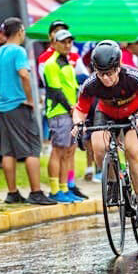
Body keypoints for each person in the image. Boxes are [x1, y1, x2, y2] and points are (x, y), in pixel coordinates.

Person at [72, 40, 138, 227]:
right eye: (101, 74)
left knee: (133, 151)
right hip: (107, 113)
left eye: (110, 73)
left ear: (118, 67)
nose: (106, 79)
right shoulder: (91, 84)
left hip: (133, 115)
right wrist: (78, 123)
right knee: (99, 147)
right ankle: (113, 182)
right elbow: (80, 109)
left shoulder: (133, 77)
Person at [0, 17, 57, 205]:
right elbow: (24, 75)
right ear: (19, 32)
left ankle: (12, 192)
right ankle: (36, 192)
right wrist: (30, 99)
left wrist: (0, 94)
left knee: (8, 151)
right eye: (23, 31)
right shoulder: (18, 51)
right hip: (19, 106)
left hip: (3, 106)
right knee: (32, 148)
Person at [43, 29, 85, 203]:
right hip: (59, 113)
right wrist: (70, 108)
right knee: (58, 151)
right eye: (63, 42)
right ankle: (54, 190)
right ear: (54, 44)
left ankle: (64, 188)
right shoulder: (51, 63)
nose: (67, 45)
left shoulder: (66, 62)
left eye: (69, 42)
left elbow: (72, 87)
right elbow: (55, 91)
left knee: (68, 151)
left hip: (70, 112)